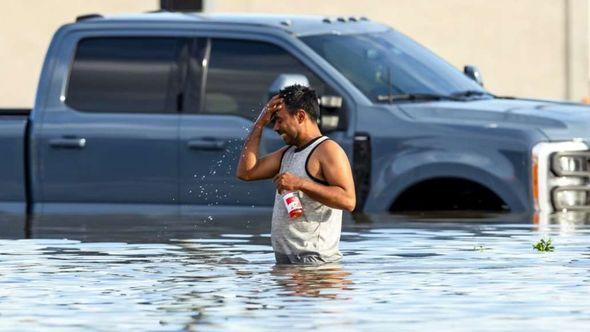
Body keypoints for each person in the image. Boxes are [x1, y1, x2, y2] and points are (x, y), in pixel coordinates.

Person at [236, 85, 356, 265]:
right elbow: (246, 172)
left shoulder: (328, 150)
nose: (275, 127)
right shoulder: (288, 153)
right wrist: (260, 123)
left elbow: (348, 201)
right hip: (287, 263)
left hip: (314, 263)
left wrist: (301, 183)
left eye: (279, 120)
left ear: (300, 116)